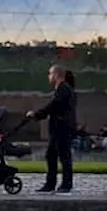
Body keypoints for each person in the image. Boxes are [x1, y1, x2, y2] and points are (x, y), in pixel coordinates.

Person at [26, 64, 76, 193]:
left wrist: (37, 114)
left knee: (62, 156)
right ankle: (53, 183)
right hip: (60, 127)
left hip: (61, 127)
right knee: (53, 155)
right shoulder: (64, 89)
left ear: (56, 75)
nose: (49, 77)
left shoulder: (63, 89)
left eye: (50, 74)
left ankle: (64, 184)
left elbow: (53, 106)